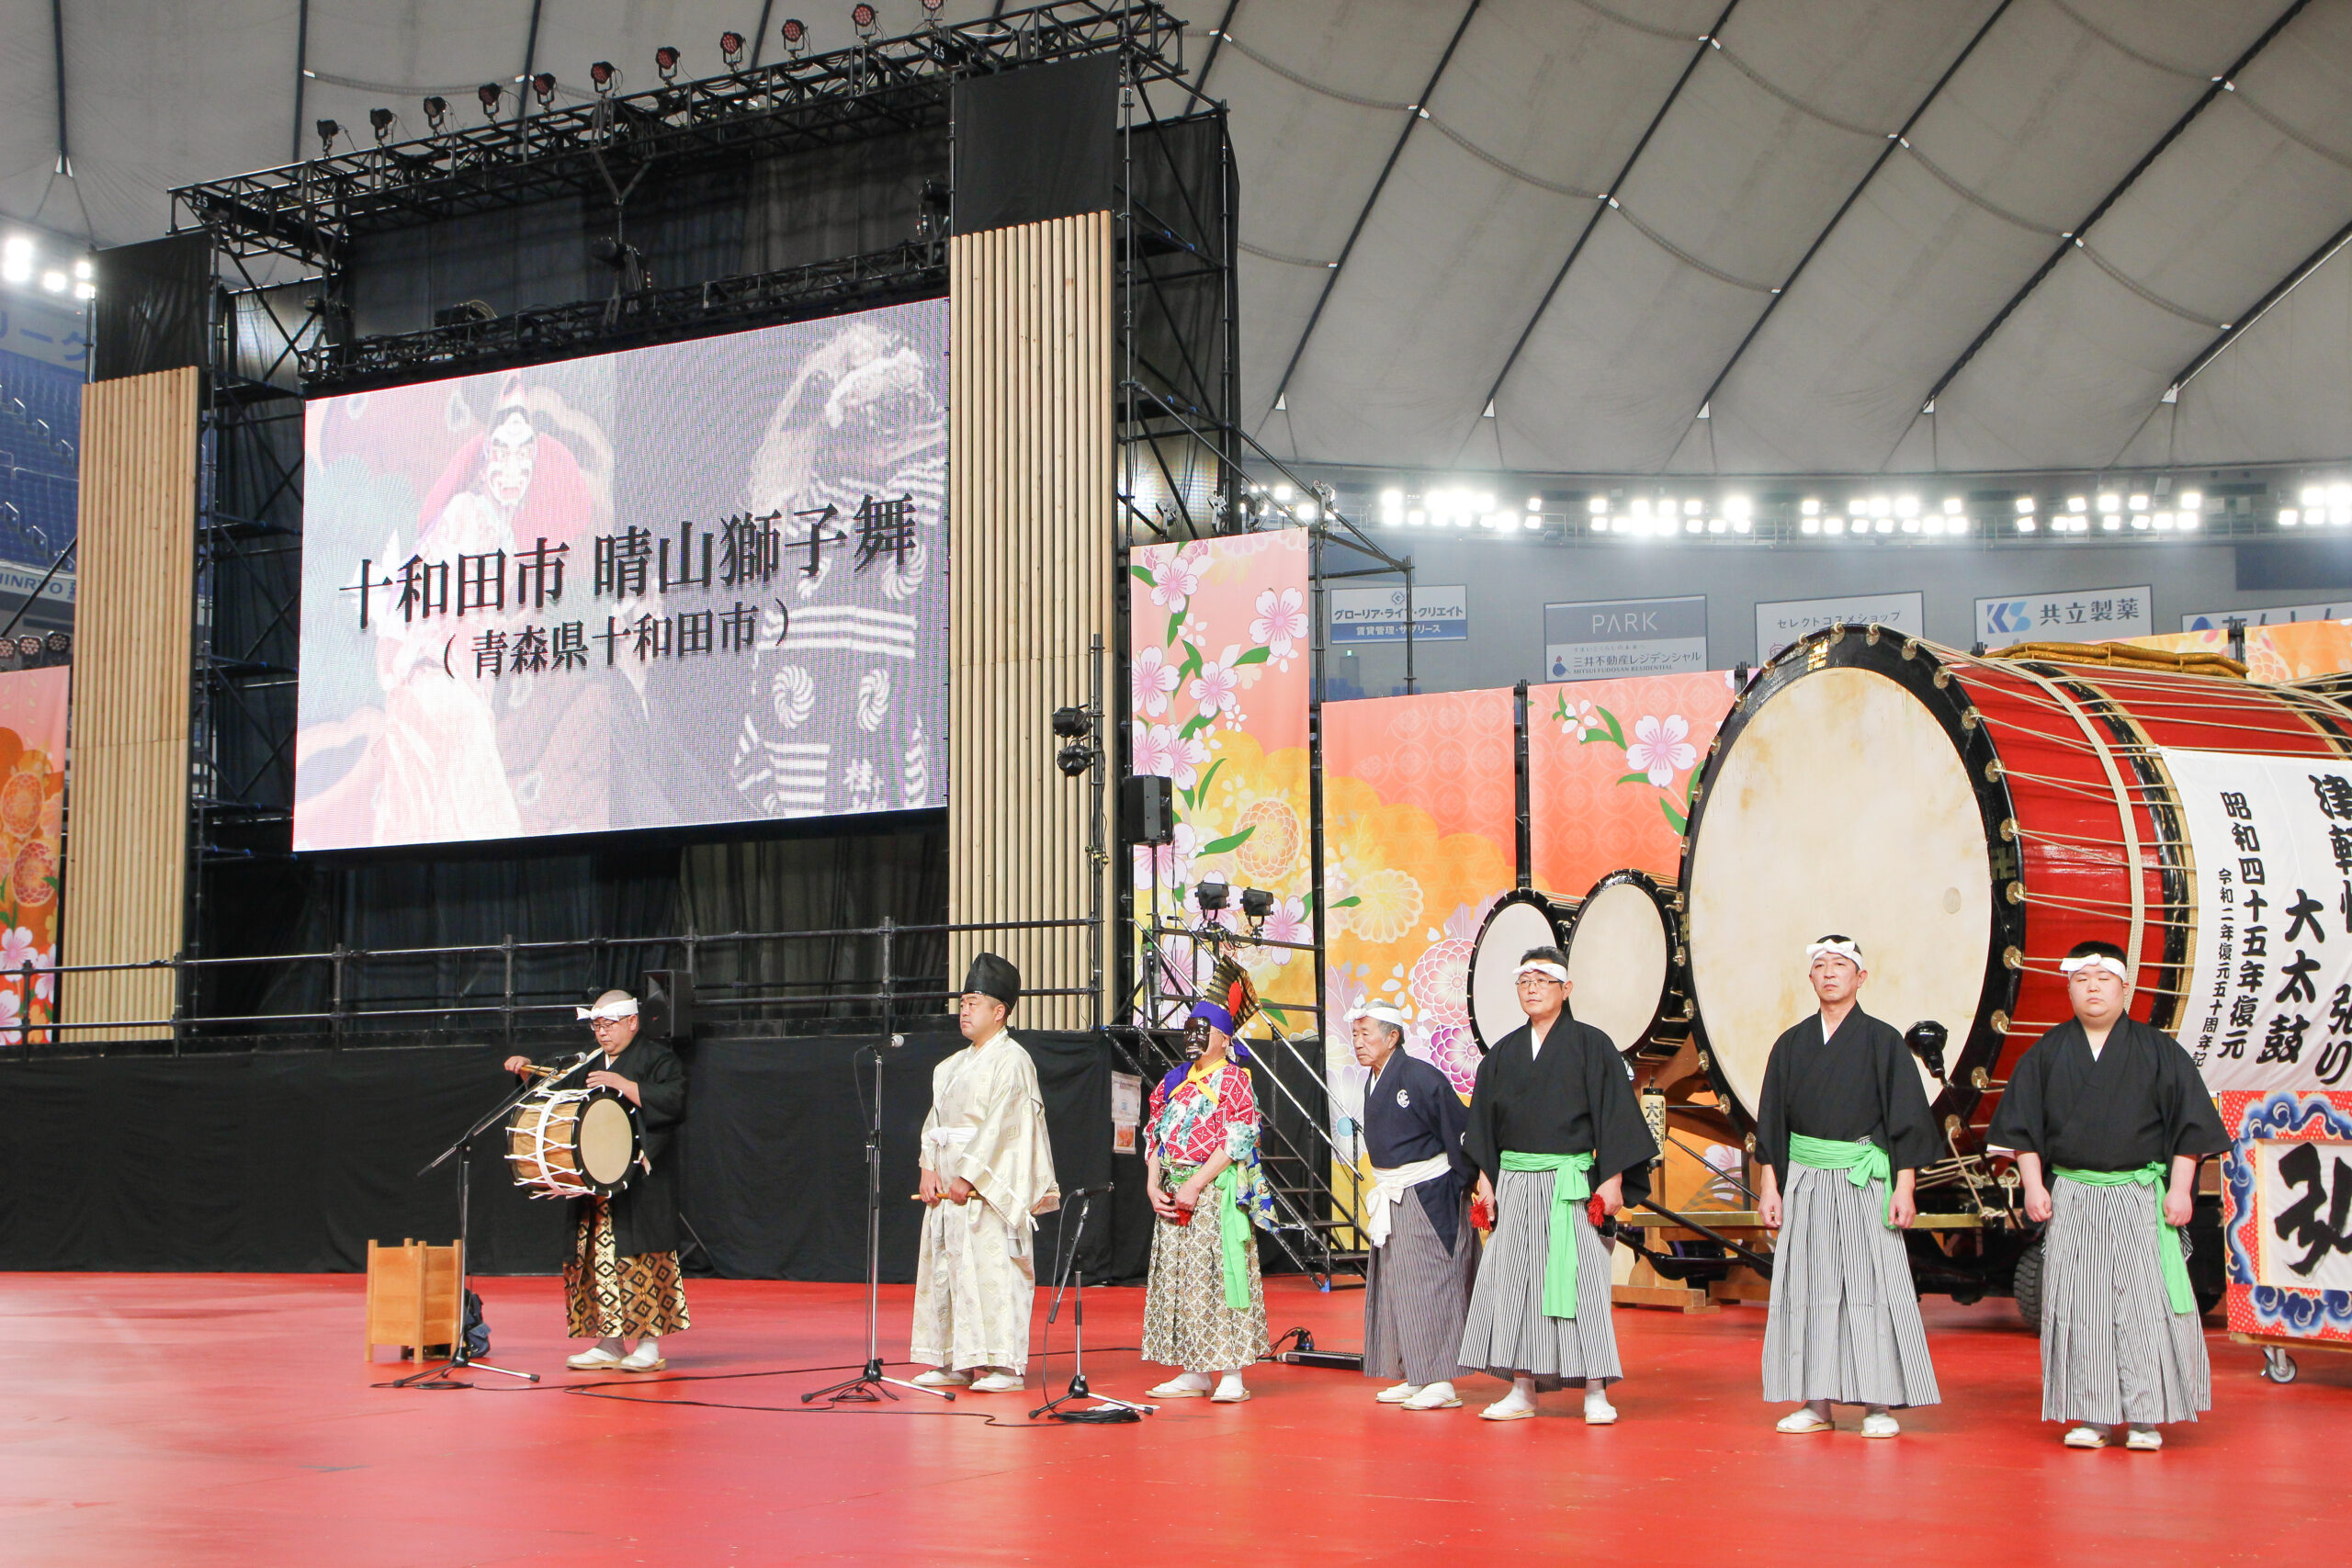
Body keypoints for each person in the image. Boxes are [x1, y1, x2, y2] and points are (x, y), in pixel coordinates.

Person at [1987, 939, 2226, 1450]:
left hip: (2139, 1195)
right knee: (2077, 1304)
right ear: (2069, 988)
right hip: (2073, 1193)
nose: (2093, 988)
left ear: (2125, 988)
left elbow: (2191, 1127)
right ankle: (2091, 1414)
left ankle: (2145, 1415)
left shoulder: (2159, 1050)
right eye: (2082, 980)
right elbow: (2021, 1129)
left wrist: (2181, 1189)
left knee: (2144, 1305)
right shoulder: (2048, 1052)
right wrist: (2033, 1184)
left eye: (2104, 980)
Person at [1458, 945, 1657, 1423]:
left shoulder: (1593, 1046)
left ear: (1566, 990)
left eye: (1543, 980)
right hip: (1516, 1184)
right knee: (1514, 1282)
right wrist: (1486, 1180)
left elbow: (1614, 1115)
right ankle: (1522, 1387)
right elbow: (1484, 1124)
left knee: (1583, 1281)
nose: (1531, 988)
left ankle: (1594, 1390)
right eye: (1524, 980)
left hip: (1570, 1184)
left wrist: (1611, 1181)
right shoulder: (1502, 1054)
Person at [1753, 936, 1941, 1438]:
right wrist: (1771, 1188)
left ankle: (1877, 1404)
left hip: (1864, 1180)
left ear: (1861, 978)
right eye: (1820, 966)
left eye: (1841, 965)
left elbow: (1906, 1121)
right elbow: (1772, 1123)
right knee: (1809, 1289)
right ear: (1810, 978)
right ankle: (1816, 1403)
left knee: (1870, 1289)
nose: (1829, 973)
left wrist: (1905, 1188)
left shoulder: (1883, 1043)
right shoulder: (1791, 1044)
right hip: (1807, 1179)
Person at [503, 989, 688, 1371]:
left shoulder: (658, 1058)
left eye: (609, 1024)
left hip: (640, 1176)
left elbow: (673, 1102)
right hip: (594, 1177)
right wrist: (526, 1074)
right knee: (597, 1259)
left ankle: (648, 1343)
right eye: (596, 1025)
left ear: (632, 1023)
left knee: (640, 1258)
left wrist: (624, 1085)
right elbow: (553, 1096)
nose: (601, 1033)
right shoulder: (588, 1061)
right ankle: (610, 1342)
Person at [910, 953, 1061, 1393]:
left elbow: (1005, 1128)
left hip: (988, 1190)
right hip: (949, 1185)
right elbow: (933, 1123)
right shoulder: (951, 1068)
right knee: (948, 1271)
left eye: (974, 1003)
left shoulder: (1012, 1061)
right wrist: (928, 1168)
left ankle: (1003, 1365)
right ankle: (953, 1359)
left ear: (1000, 1011)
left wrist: (970, 1177)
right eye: (962, 1003)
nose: (964, 1010)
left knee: (992, 1272)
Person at [1142, 957, 1276, 1403]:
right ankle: (1195, 1368)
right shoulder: (1172, 1082)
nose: (1194, 1037)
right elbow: (1155, 1134)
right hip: (1173, 1191)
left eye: (1205, 1030)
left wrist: (1197, 1183)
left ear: (1224, 1038)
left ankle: (1232, 1373)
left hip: (1212, 1193)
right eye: (1190, 1028)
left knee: (1222, 1279)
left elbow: (1239, 1138)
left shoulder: (1236, 1080)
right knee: (1182, 1282)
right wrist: (1152, 1181)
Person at [1351, 1001, 1477, 1412]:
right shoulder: (1374, 1079)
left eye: (1366, 1033)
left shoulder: (1421, 1076)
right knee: (1396, 1285)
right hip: (1393, 1192)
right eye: (1355, 1034)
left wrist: (1458, 1185)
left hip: (1426, 1193)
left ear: (1393, 1037)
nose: (1359, 1042)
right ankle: (1414, 1371)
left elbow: (1460, 1130)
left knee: (1431, 1283)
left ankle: (1440, 1379)